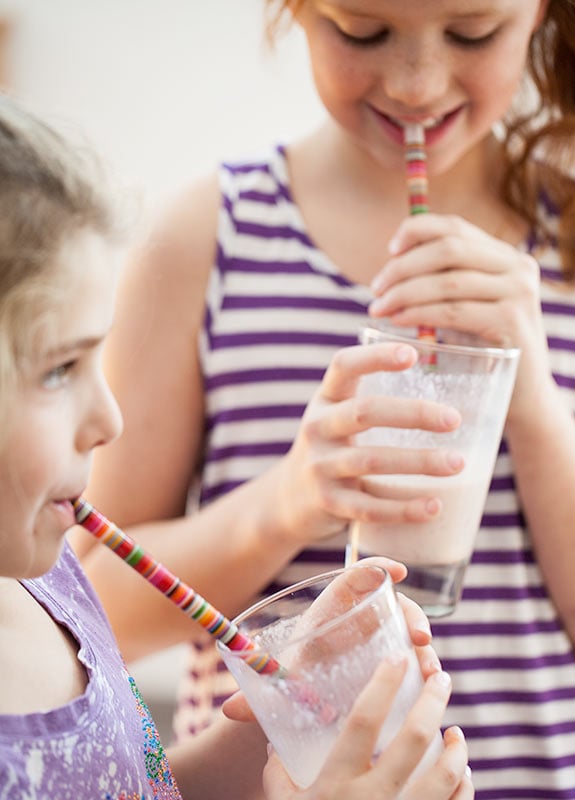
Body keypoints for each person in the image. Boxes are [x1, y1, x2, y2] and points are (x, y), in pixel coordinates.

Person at [71, 0, 575, 796]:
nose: (417, 84)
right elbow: (90, 612)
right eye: (362, 29)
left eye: (472, 32)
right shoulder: (204, 241)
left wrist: (530, 399)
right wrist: (291, 500)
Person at [0, 92, 473, 799]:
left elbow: (134, 786)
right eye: (59, 369)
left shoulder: (50, 585)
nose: (109, 419)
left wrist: (284, 722)